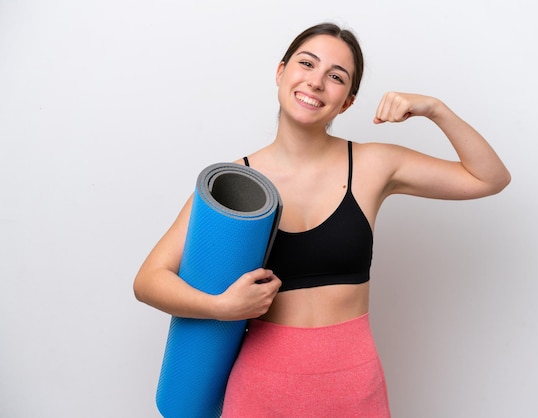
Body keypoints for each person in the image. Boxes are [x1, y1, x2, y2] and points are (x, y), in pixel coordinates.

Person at [133, 22, 510, 417]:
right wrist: (221, 307)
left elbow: (489, 177)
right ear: (281, 72)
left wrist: (435, 109)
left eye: (335, 77)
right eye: (306, 64)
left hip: (354, 390)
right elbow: (148, 280)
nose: (315, 82)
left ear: (347, 101)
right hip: (260, 392)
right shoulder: (233, 183)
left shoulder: (373, 164)